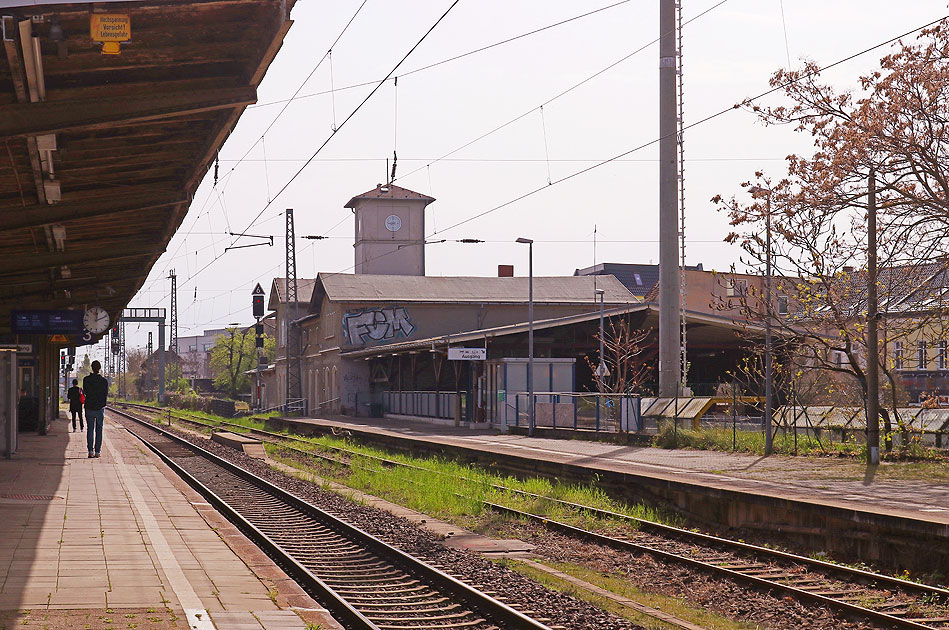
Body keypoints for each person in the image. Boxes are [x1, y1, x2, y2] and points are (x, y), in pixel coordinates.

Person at [83, 360, 108, 458]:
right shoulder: (103, 381)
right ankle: (97, 451)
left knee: (90, 429)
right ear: (99, 368)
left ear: (92, 368)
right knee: (99, 429)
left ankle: (90, 451)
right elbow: (105, 394)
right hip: (99, 408)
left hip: (89, 407)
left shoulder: (86, 380)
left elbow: (85, 392)